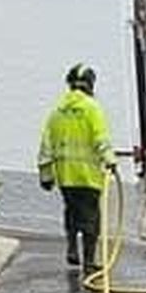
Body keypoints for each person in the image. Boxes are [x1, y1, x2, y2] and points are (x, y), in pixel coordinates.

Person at [38, 64, 115, 271]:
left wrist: (46, 175)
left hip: (65, 176)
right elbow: (101, 138)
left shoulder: (57, 111)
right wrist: (110, 160)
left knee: (71, 211)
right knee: (91, 218)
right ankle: (89, 262)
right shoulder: (92, 108)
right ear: (90, 85)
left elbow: (46, 145)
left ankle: (72, 247)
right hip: (88, 176)